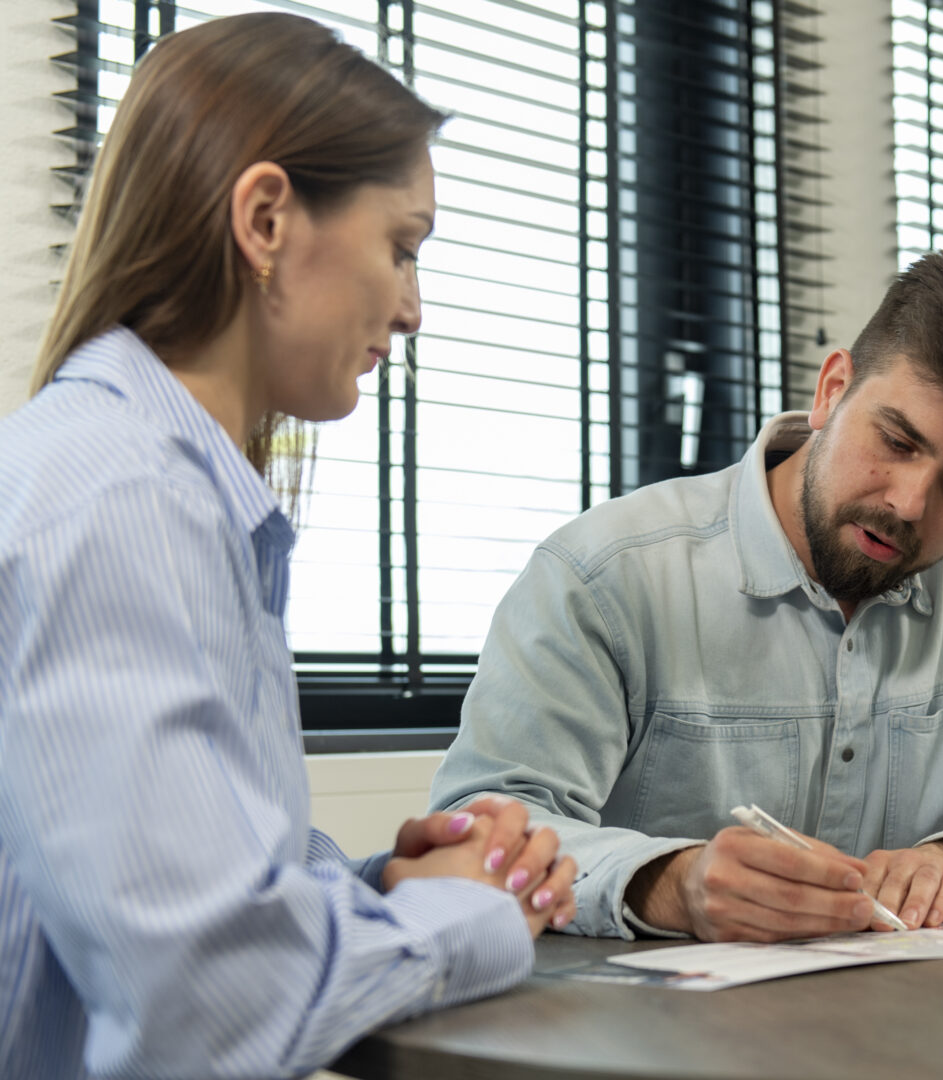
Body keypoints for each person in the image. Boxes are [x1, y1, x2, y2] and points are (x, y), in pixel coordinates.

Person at [0, 15, 576, 1079]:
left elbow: (164, 898)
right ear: (266, 218)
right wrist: (471, 916)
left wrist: (379, 889)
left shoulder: (153, 479)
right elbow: (207, 1001)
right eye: (402, 247)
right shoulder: (125, 497)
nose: (413, 309)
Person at [430, 242, 943, 943]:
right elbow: (483, 831)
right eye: (898, 441)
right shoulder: (604, 574)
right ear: (833, 390)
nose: (910, 503)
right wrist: (671, 884)